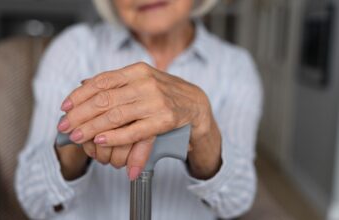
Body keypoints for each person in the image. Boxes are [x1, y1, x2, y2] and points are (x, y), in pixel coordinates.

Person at [15, 0, 263, 219]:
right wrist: (82, 136)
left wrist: (204, 131)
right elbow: (35, 201)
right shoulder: (75, 48)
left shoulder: (235, 67)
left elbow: (235, 202)